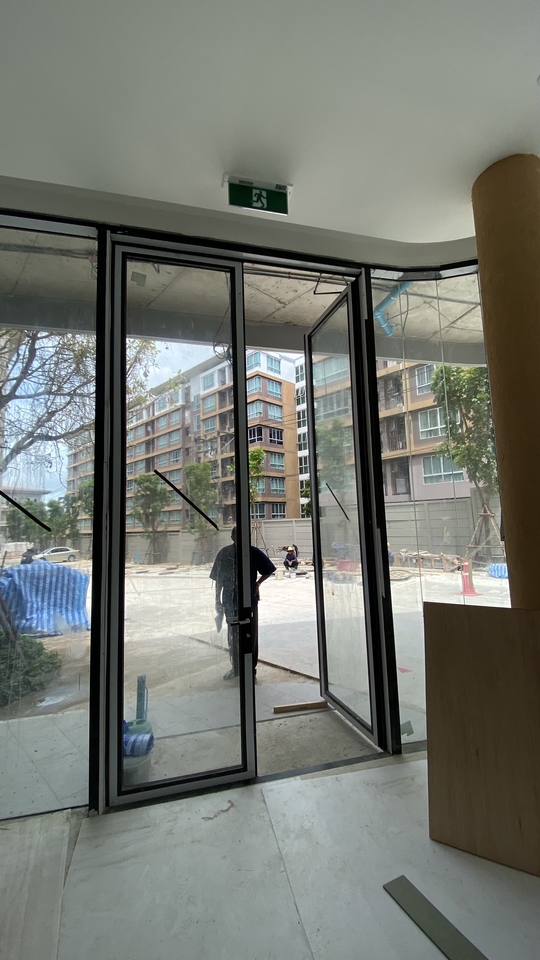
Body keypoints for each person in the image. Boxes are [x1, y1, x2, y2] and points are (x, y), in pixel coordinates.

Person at [210, 527, 276, 680]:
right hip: (230, 601)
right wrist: (217, 600)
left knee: (250, 635)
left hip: (249, 601)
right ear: (232, 537)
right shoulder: (224, 553)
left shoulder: (253, 552)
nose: (239, 538)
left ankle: (251, 670)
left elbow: (268, 570)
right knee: (233, 635)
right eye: (236, 535)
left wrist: (257, 584)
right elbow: (218, 579)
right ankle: (236, 668)